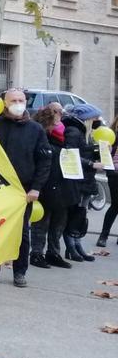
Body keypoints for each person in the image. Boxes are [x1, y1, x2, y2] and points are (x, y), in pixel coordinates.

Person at [0, 89, 50, 288]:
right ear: (4, 103)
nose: (18, 103)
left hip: (23, 191)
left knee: (21, 233)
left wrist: (36, 189)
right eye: (13, 100)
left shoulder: (35, 129)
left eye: (21, 100)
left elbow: (45, 162)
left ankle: (20, 272)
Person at [29, 103, 71, 269]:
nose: (60, 117)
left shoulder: (61, 134)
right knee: (42, 220)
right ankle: (37, 253)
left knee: (59, 219)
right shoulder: (41, 134)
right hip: (46, 182)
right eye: (57, 114)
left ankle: (53, 252)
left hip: (60, 182)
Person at [61, 104, 100, 263]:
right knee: (74, 214)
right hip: (77, 180)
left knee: (80, 214)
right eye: (94, 117)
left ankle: (77, 245)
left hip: (86, 179)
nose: (97, 120)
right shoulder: (73, 131)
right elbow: (70, 155)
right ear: (86, 118)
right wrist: (91, 164)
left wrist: (98, 151)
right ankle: (71, 247)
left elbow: (85, 151)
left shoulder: (87, 133)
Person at [98, 115, 118, 248]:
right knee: (116, 204)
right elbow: (104, 154)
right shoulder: (111, 135)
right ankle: (103, 235)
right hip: (115, 174)